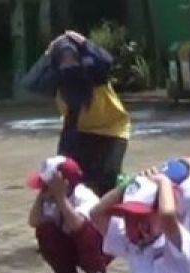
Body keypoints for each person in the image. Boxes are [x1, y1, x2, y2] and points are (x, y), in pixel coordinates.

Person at [47, 31, 131, 195]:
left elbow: (107, 61)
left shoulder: (95, 74)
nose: (68, 64)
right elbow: (32, 79)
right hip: (78, 130)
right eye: (63, 60)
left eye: (72, 57)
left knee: (106, 179)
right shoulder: (58, 80)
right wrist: (49, 52)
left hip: (112, 129)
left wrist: (85, 43)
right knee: (67, 175)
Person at [27, 156, 109, 273]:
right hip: (73, 245)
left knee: (85, 229)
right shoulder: (49, 199)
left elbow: (77, 226)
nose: (42, 188)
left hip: (102, 248)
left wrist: (60, 197)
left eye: (46, 185)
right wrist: (42, 196)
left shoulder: (83, 196)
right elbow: (33, 221)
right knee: (44, 229)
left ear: (65, 183)